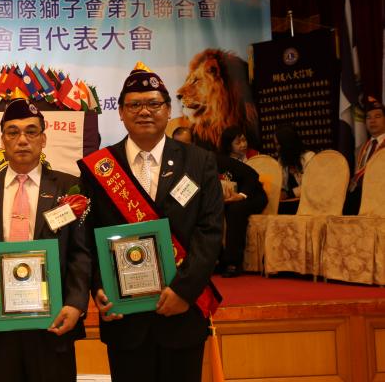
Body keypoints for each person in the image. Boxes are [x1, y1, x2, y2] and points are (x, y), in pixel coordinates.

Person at [78, 64, 223, 382]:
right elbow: (87, 237)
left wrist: (184, 290)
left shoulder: (199, 162)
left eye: (154, 104)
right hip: (124, 318)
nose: (144, 111)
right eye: (134, 105)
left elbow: (210, 232)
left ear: (169, 110)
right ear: (120, 112)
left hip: (182, 312)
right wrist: (99, 287)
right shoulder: (99, 168)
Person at [0, 99, 91, 382]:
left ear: (43, 139)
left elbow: (80, 252)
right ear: (3, 140)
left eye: (31, 131)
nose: (22, 140)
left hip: (54, 320)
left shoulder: (68, 186)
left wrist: (75, 303)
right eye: (13, 132)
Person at [216, 132, 267, 277]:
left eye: (244, 140)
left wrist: (241, 196)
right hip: (228, 199)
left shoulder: (220, 160)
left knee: (235, 209)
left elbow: (252, 175)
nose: (243, 145)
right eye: (238, 142)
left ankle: (233, 262)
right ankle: (217, 260)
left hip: (252, 195)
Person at [344, 95, 385, 215]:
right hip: (358, 197)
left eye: (377, 116)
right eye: (368, 117)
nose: (372, 121)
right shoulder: (360, 149)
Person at [274, 124, 315, 215]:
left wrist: (289, 194)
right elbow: (282, 185)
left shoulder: (309, 158)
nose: (276, 148)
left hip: (308, 205)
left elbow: (311, 186)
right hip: (289, 206)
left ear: (286, 144)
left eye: (278, 144)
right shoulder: (282, 160)